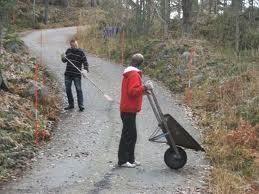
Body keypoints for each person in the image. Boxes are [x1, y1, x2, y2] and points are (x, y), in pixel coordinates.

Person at [118, 53, 153, 168]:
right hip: (128, 109)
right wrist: (144, 87)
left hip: (129, 109)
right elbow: (132, 92)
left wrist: (143, 91)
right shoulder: (133, 74)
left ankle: (131, 159)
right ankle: (123, 160)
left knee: (132, 135)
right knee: (128, 135)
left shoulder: (131, 73)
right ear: (140, 64)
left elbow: (133, 92)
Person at [61, 39, 89, 112]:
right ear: (71, 45)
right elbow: (64, 61)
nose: (74, 46)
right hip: (68, 74)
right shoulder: (68, 51)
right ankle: (71, 104)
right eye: (73, 45)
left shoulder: (81, 52)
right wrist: (62, 57)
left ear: (77, 44)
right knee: (68, 89)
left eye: (75, 45)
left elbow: (85, 63)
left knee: (78, 89)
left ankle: (81, 105)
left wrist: (85, 70)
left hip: (77, 75)